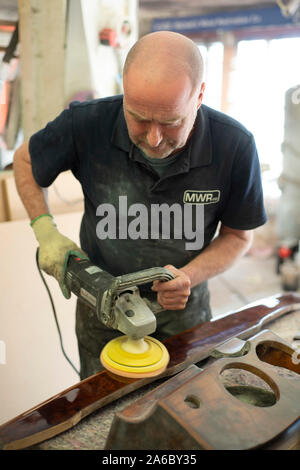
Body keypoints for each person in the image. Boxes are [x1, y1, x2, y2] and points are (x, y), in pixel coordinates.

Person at [13, 31, 267, 379]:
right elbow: (25, 161)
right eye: (139, 118)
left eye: (170, 121)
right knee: (100, 414)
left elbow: (239, 237)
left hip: (183, 313)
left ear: (199, 96)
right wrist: (46, 232)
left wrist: (188, 277)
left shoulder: (234, 146)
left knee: (185, 405)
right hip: (102, 310)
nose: (154, 138)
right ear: (124, 92)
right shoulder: (86, 124)